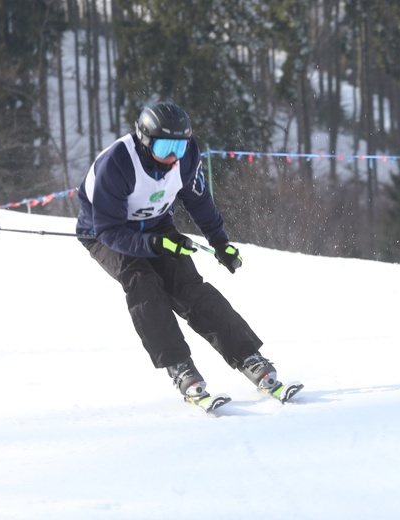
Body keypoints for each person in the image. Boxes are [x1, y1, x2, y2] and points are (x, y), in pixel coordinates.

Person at [76, 101, 285, 405]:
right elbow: (108, 231)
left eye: (180, 145)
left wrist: (219, 242)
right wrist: (153, 245)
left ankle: (248, 356)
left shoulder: (185, 159)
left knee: (189, 287)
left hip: (157, 225)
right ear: (145, 142)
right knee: (143, 282)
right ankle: (179, 366)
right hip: (105, 234)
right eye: (165, 147)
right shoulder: (117, 164)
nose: (174, 156)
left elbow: (198, 200)